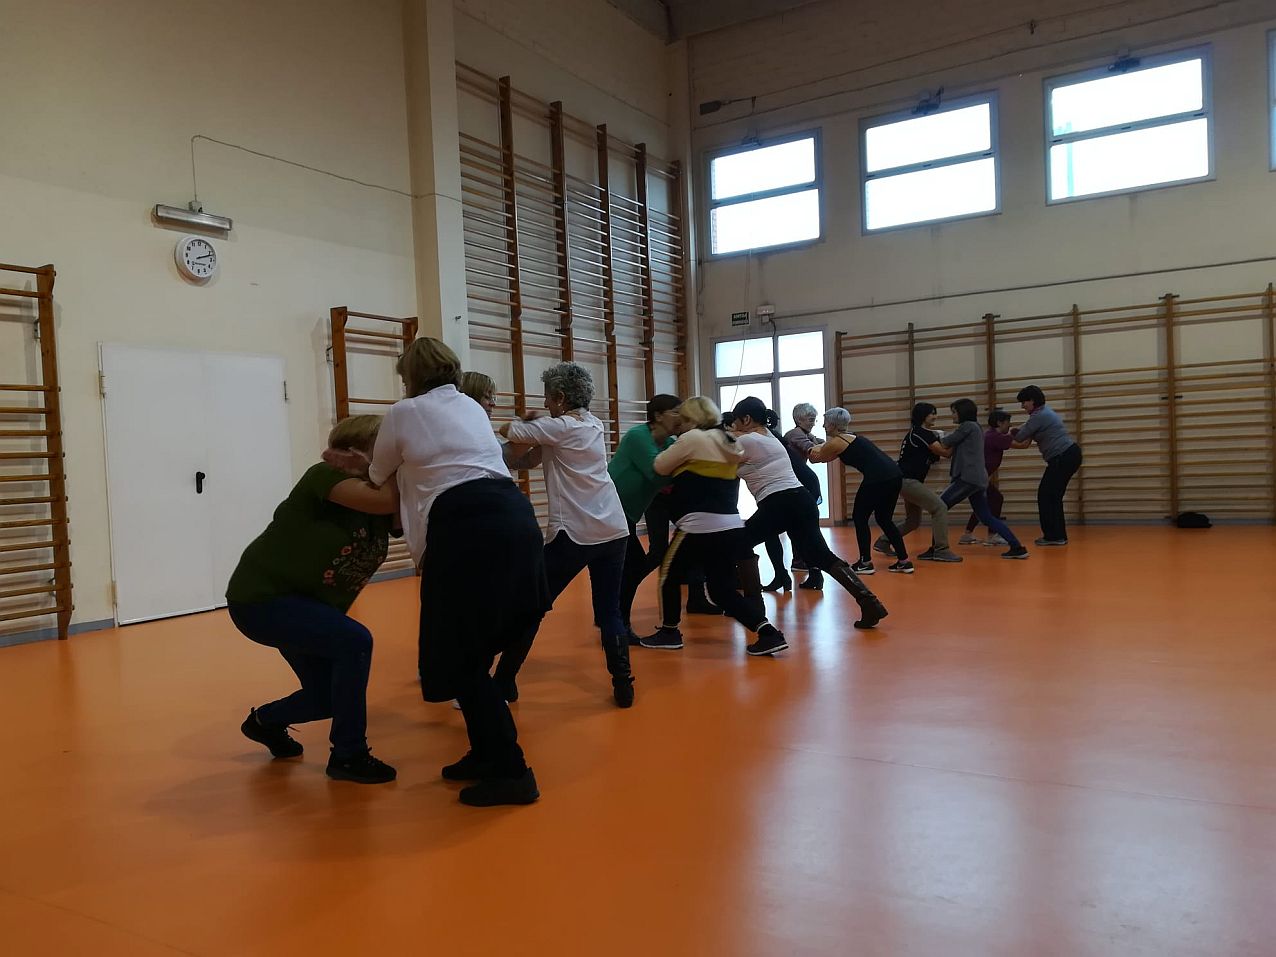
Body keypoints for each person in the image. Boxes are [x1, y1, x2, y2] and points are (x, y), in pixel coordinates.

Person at [364, 337, 549, 807]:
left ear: (409, 375)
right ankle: (486, 753)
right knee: (476, 651)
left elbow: (377, 472)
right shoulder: (468, 405)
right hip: (514, 516)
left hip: (468, 528)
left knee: (461, 656)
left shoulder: (404, 412)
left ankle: (511, 772)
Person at [227, 415, 398, 785]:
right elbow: (390, 500)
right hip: (264, 598)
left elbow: (409, 505)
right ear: (358, 452)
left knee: (326, 698)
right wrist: (376, 469)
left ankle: (263, 722)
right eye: (387, 448)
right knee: (355, 641)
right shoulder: (324, 476)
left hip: (308, 608)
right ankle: (349, 755)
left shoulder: (379, 496)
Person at [493, 362, 636, 708]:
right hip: (614, 530)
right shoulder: (593, 424)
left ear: (558, 397)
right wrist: (531, 430)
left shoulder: (557, 428)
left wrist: (526, 422)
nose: (545, 404)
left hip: (574, 533)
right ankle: (623, 683)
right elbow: (525, 461)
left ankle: (504, 681)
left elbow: (507, 428)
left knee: (532, 605)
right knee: (609, 611)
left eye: (547, 398)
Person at [639, 397, 788, 657]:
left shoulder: (693, 438)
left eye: (684, 418)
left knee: (668, 575)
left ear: (695, 419)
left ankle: (670, 631)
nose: (681, 424)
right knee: (721, 591)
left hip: (697, 526)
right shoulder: (728, 440)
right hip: (731, 527)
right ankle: (768, 633)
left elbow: (659, 465)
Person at [732, 398, 887, 629]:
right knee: (820, 555)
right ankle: (869, 602)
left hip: (779, 501)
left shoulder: (746, 439)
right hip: (802, 500)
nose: (734, 426)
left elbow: (715, 458)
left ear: (745, 419)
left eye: (736, 422)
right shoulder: (771, 437)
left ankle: (754, 610)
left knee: (739, 545)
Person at [609, 394, 682, 642]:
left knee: (626, 567)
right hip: (609, 509)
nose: (680, 417)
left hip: (625, 513)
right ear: (658, 415)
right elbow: (657, 473)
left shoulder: (670, 442)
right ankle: (617, 623)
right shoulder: (638, 436)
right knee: (631, 566)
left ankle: (611, 615)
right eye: (675, 411)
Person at [809, 407, 911, 575]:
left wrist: (808, 447)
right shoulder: (851, 436)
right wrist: (818, 444)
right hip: (894, 476)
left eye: (826, 422)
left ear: (833, 424)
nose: (823, 426)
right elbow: (829, 450)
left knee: (859, 517)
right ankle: (904, 561)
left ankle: (865, 562)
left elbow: (818, 458)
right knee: (884, 519)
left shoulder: (836, 442)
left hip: (877, 479)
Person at [938, 398, 1029, 560]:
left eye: (954, 412)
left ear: (962, 413)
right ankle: (1017, 546)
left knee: (938, 506)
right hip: (978, 479)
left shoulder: (967, 426)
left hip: (969, 478)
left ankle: (937, 548)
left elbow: (945, 442)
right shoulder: (976, 428)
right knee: (986, 516)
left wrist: (928, 437)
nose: (952, 415)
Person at [874, 403, 962, 564]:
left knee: (913, 521)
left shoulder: (921, 434)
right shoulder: (921, 433)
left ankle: (884, 541)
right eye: (932, 414)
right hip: (907, 481)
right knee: (939, 507)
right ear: (923, 416)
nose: (935, 416)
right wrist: (959, 439)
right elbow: (945, 453)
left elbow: (936, 455)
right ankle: (941, 550)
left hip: (905, 481)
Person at [1009, 385, 1082, 546]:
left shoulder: (1039, 416)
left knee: (1046, 495)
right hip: (1068, 455)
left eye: (1024, 402)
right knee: (1053, 496)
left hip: (1063, 457)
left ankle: (1053, 536)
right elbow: (1025, 436)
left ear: (1032, 401)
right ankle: (1057, 535)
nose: (1022, 406)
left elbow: (1021, 437)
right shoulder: (1042, 413)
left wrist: (1004, 435)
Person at [959, 409, 1016, 546]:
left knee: (983, 504)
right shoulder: (993, 437)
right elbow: (1013, 440)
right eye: (1007, 423)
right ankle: (992, 535)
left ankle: (967, 534)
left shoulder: (992, 436)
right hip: (977, 477)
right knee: (995, 499)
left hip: (979, 477)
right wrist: (1017, 432)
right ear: (999, 423)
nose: (1009, 426)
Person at [783, 403, 824, 574]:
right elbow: (813, 449)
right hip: (794, 483)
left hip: (799, 482)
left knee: (802, 522)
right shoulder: (796, 434)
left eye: (814, 420)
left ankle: (803, 558)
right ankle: (799, 559)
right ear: (799, 419)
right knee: (799, 522)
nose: (813, 423)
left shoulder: (804, 433)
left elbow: (821, 442)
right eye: (810, 420)